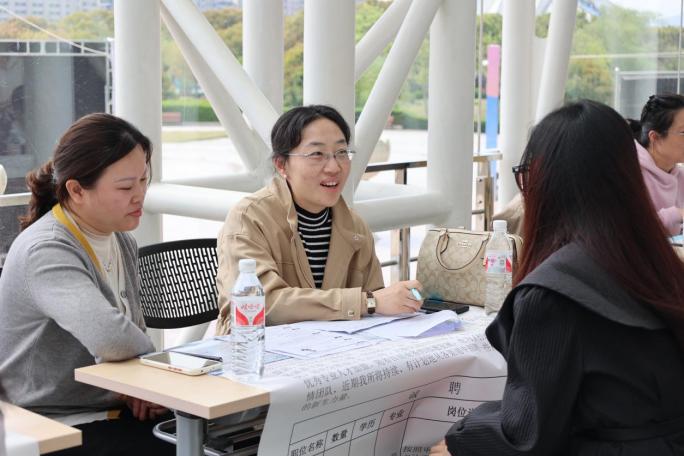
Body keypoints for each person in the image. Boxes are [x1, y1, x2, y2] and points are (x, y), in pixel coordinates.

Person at [430, 100, 684, 455]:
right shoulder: (660, 264)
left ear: (545, 182)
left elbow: (527, 436)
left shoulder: (554, 293)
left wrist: (461, 438)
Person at [0, 113, 174, 455]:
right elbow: (111, 336)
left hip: (108, 411)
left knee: (225, 435)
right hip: (49, 422)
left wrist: (143, 386)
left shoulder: (120, 239)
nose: (140, 195)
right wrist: (148, 379)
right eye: (125, 187)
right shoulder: (47, 249)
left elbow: (128, 335)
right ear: (77, 190)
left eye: (144, 180)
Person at [216, 105, 422, 334]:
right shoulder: (249, 218)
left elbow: (375, 302)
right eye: (317, 154)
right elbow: (262, 304)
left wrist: (401, 300)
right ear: (282, 164)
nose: (334, 167)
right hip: (256, 349)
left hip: (332, 348)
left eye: (341, 152)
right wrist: (367, 303)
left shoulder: (354, 226)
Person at [628, 94, 684, 236]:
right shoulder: (629, 173)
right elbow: (629, 228)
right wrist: (677, 214)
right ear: (655, 137)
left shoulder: (679, 175)